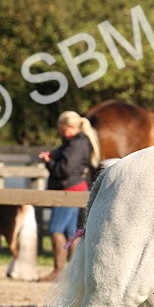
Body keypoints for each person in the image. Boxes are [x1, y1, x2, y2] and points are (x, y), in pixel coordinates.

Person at [39, 111, 101, 283]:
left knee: (56, 230)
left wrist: (49, 163)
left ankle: (59, 270)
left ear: (70, 127)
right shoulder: (75, 143)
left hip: (69, 191)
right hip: (75, 189)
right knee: (71, 233)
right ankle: (74, 271)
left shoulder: (76, 144)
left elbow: (65, 169)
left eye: (62, 128)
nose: (60, 132)